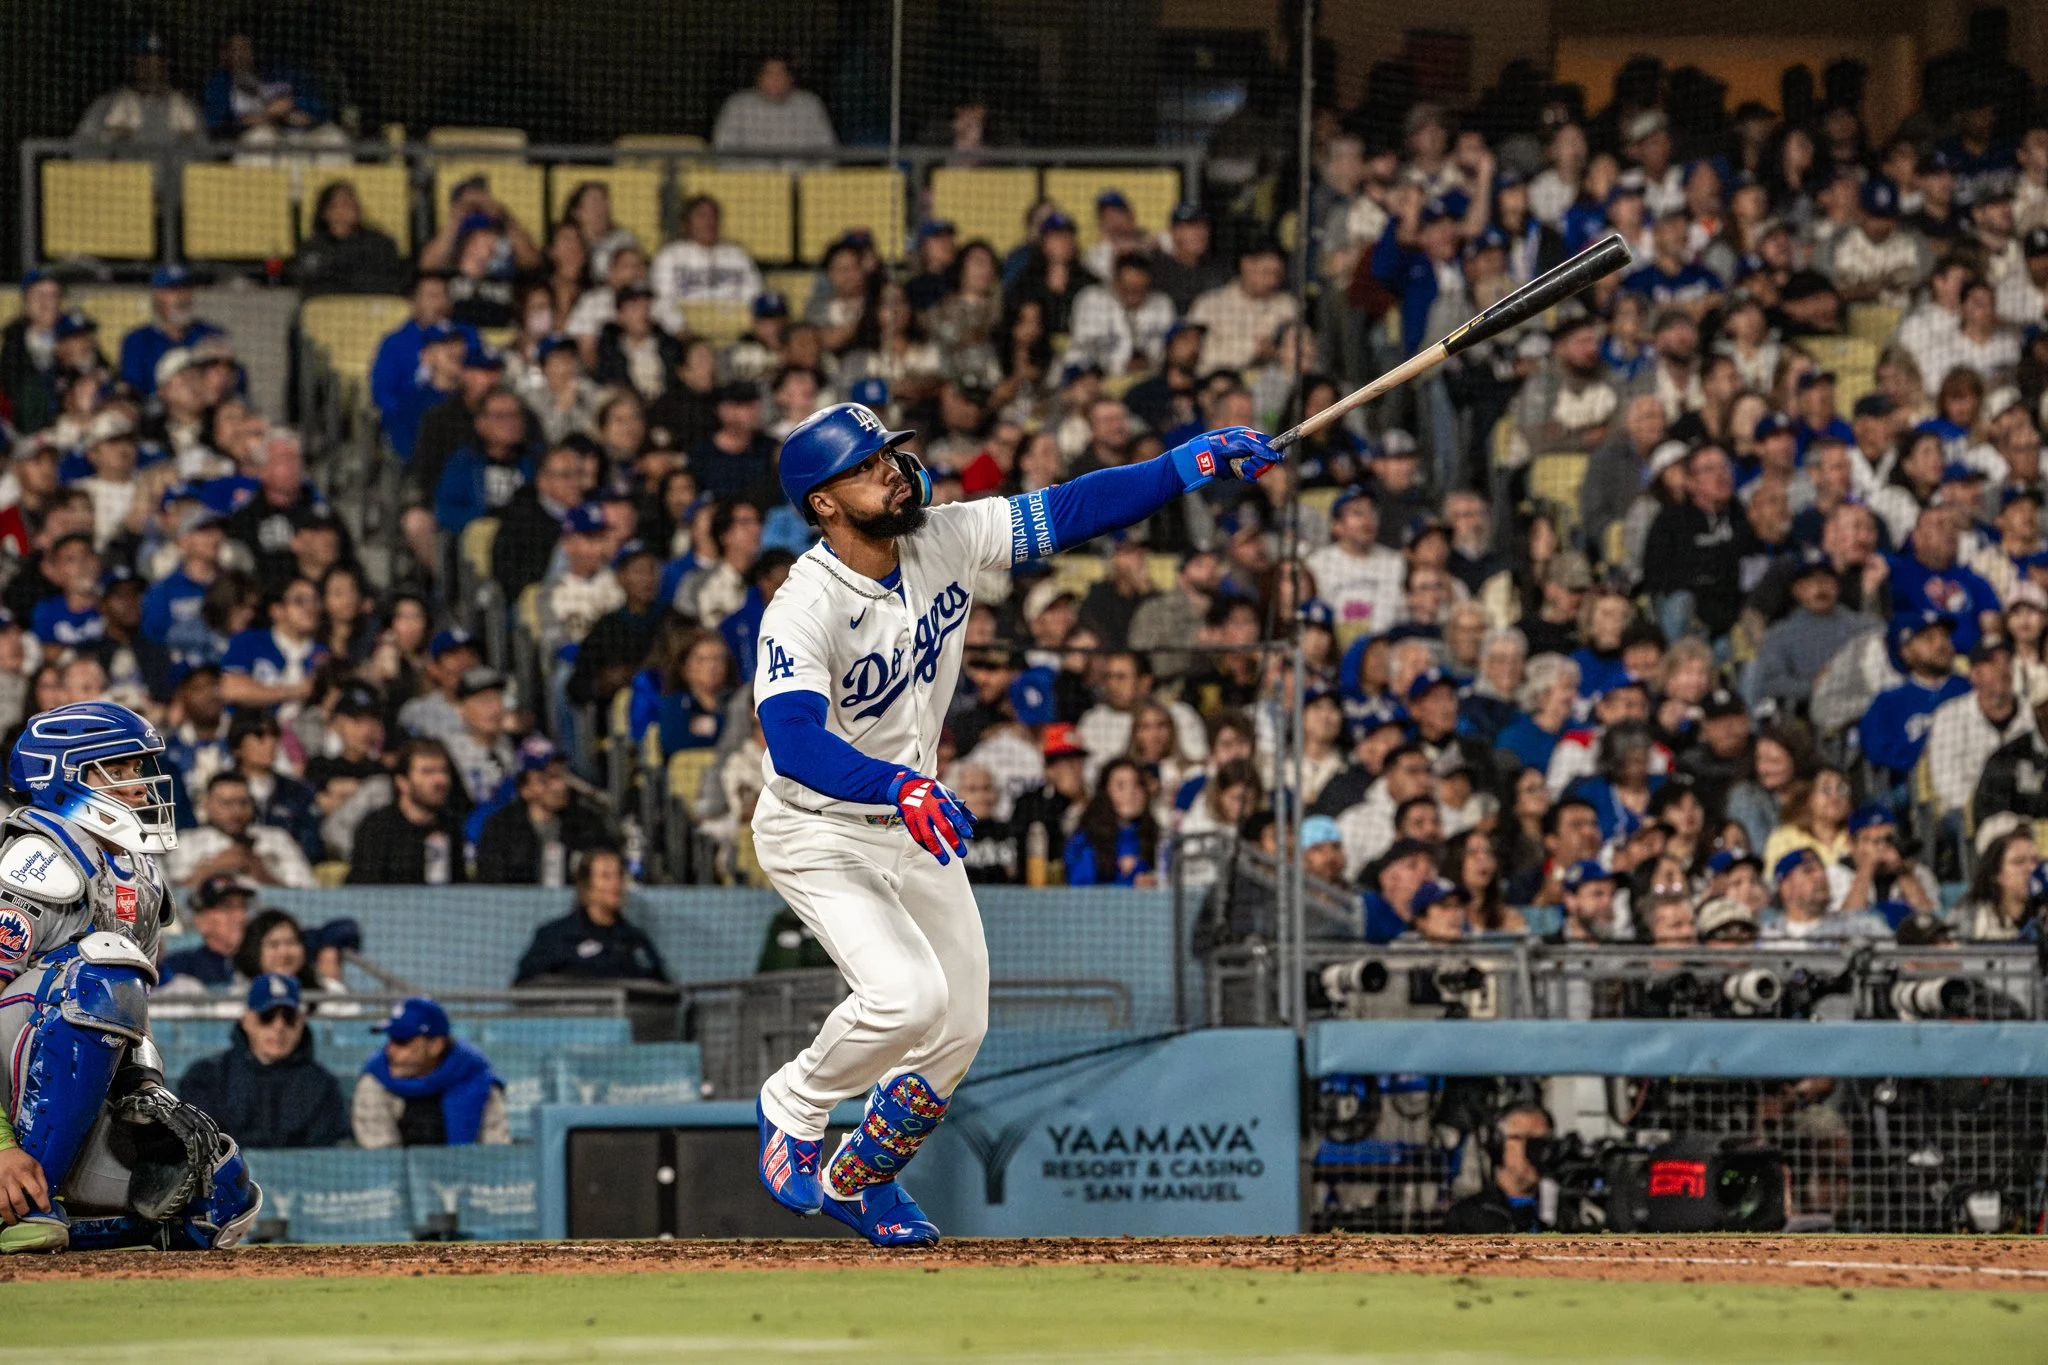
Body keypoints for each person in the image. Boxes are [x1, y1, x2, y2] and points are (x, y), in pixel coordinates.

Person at [747, 400, 1279, 1245]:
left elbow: (1071, 509)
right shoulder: (803, 606)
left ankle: (861, 1179)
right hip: (820, 826)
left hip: (907, 812)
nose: (890, 468)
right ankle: (794, 1103)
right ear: (822, 502)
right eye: (866, 464)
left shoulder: (944, 536)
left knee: (958, 1026)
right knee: (905, 997)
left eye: (889, 453)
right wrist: (897, 786)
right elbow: (795, 741)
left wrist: (1190, 464)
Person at [0, 701, 262, 1253]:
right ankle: (21, 1201)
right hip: (7, 1104)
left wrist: (144, 1089)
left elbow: (127, 1016)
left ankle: (50, 1218)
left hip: (51, 1091)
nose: (140, 785)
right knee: (92, 976)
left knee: (214, 1194)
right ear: (63, 777)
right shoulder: (36, 859)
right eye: (117, 770)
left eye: (138, 768)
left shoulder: (138, 875)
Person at [176, 974, 349, 1151]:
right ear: (246, 1020)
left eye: (288, 1017)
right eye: (267, 1016)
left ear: (300, 1023)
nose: (279, 1027)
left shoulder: (323, 1086)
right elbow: (203, 1148)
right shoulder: (204, 1077)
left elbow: (321, 1155)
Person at [352, 996, 511, 1148]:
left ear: (436, 1046)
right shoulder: (376, 1082)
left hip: (471, 1174)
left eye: (402, 1041)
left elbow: (496, 1154)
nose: (390, 1050)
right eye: (390, 1039)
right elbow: (382, 1162)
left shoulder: (477, 1081)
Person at [513, 848, 668, 983]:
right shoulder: (555, 936)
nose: (616, 883)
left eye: (619, 875)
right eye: (606, 876)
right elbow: (525, 985)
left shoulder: (635, 940)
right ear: (586, 886)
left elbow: (664, 991)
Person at [477, 742, 614, 886]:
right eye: (547, 778)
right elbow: (491, 883)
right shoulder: (500, 828)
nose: (560, 786)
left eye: (562, 775)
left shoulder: (587, 824)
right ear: (525, 789)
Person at [164, 773, 318, 891]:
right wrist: (212, 868)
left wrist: (260, 871)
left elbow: (307, 896)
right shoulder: (187, 842)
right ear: (207, 806)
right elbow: (173, 900)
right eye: (227, 803)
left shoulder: (277, 838)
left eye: (243, 802)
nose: (237, 812)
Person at [346, 739, 468, 886]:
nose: (440, 780)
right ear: (403, 782)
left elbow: (459, 887)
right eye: (427, 772)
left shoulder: (450, 826)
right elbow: (365, 890)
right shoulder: (378, 828)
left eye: (443, 771)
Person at [1443, 1103, 1554, 1233]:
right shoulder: (1468, 1217)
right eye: (1527, 1140)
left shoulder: (1564, 1213)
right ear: (1498, 1144)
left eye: (1543, 1142)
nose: (1538, 1151)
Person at [712, 56, 837, 151]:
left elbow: (826, 150)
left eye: (781, 74)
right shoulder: (738, 105)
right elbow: (723, 149)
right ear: (759, 78)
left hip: (799, 181)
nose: (776, 80)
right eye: (770, 74)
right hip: (750, 180)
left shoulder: (810, 105)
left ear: (791, 78)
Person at [157, 874, 254, 990]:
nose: (240, 917)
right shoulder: (178, 967)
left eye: (243, 906)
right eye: (227, 907)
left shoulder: (260, 962)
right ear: (201, 920)